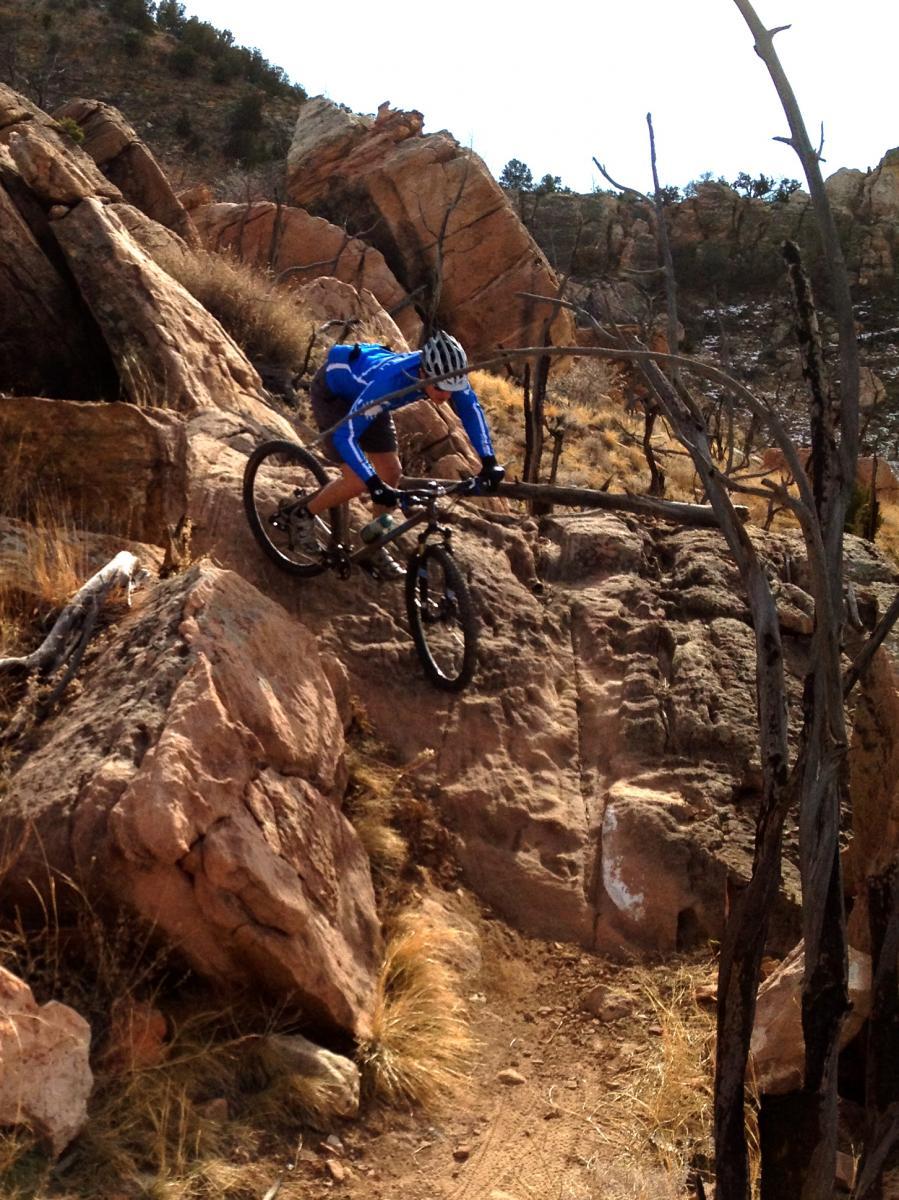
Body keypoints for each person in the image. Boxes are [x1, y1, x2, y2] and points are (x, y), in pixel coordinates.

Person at [295, 330, 505, 578]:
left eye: (453, 388)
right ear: (425, 373)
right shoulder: (389, 382)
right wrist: (373, 484)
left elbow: (471, 410)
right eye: (441, 389)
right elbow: (345, 436)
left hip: (372, 402)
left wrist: (489, 461)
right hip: (336, 395)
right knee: (359, 480)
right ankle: (302, 515)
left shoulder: (447, 375)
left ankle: (374, 546)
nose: (447, 395)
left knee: (392, 473)